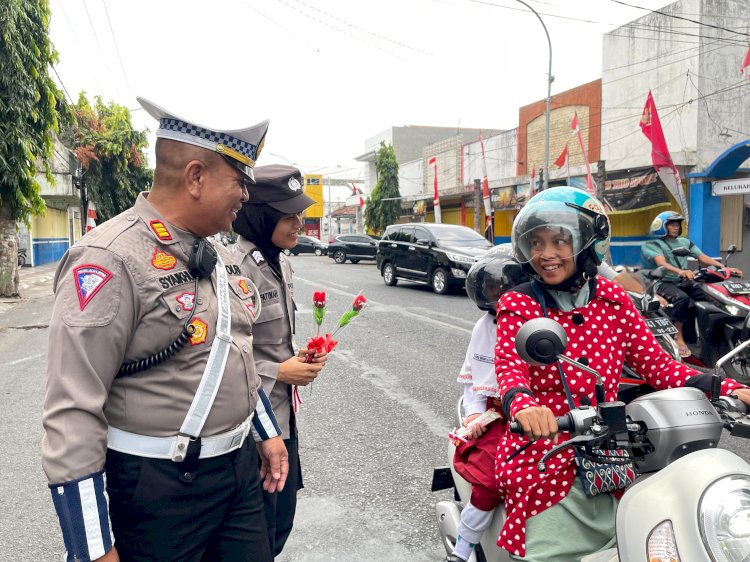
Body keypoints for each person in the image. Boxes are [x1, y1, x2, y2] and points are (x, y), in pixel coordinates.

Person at [42, 97, 289, 562]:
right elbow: (72, 410)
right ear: (195, 177)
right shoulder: (110, 259)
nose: (246, 196)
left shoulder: (213, 253)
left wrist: (267, 432)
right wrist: (94, 550)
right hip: (159, 488)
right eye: (240, 181)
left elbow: (231, 354)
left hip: (237, 475)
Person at [492, 186, 750, 561]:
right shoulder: (520, 302)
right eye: (537, 242)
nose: (546, 254)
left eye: (560, 241)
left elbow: (659, 366)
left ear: (589, 243)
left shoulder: (614, 301)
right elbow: (510, 366)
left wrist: (726, 387)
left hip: (608, 445)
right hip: (547, 443)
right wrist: (525, 407)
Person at [231, 164, 328, 556]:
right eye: (288, 215)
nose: (298, 223)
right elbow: (220, 355)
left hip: (284, 415)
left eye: (300, 214)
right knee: (258, 528)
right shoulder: (234, 269)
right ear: (260, 215)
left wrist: (297, 356)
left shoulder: (281, 262)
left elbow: (268, 341)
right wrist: (278, 371)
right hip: (253, 420)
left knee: (282, 517)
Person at [447, 249, 527, 562]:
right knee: (489, 483)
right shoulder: (484, 327)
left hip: (546, 414)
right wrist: (476, 416)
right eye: (492, 290)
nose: (498, 295)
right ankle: (462, 550)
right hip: (501, 418)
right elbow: (474, 382)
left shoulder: (539, 319)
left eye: (503, 288)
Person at [641, 211, 743, 357]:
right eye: (672, 225)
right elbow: (662, 263)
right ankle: (678, 336)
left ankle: (710, 335)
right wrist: (680, 271)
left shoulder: (684, 242)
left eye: (677, 224)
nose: (676, 227)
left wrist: (724, 268)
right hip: (664, 281)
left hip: (684, 281)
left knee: (711, 295)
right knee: (682, 299)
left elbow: (702, 257)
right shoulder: (655, 244)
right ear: (662, 227)